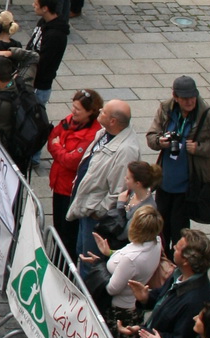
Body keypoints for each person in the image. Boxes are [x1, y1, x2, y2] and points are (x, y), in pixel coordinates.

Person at [145, 74, 210, 247]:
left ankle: (178, 261)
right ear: (175, 97)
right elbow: (151, 136)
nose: (190, 101)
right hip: (165, 180)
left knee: (180, 228)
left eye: (192, 96)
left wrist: (199, 148)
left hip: (188, 184)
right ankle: (162, 259)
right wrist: (159, 141)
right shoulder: (165, 109)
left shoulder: (208, 115)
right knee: (161, 226)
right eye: (185, 98)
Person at [67, 99, 141, 261]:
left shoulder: (126, 151)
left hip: (96, 218)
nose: (100, 110)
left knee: (90, 260)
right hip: (87, 208)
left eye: (104, 112)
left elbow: (119, 191)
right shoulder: (104, 132)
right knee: (81, 252)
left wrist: (96, 212)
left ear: (113, 121)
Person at [46, 89, 104, 257]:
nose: (73, 111)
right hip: (59, 185)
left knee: (68, 235)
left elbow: (72, 161)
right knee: (58, 230)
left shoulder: (93, 134)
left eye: (78, 109)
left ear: (91, 112)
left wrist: (58, 147)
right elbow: (52, 137)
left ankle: (65, 269)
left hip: (71, 191)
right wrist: (61, 150)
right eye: (73, 107)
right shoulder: (71, 120)